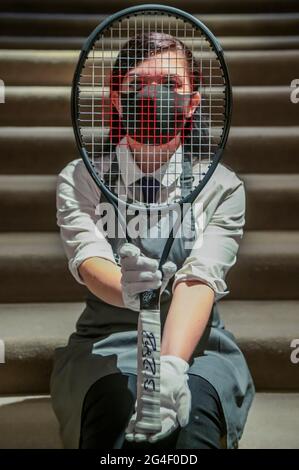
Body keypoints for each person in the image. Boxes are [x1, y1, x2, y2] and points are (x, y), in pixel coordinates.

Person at [50, 32, 255, 450]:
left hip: (196, 347)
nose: (153, 95)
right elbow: (89, 260)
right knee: (114, 431)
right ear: (115, 98)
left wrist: (172, 367)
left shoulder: (221, 187)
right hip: (108, 343)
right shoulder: (81, 179)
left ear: (193, 102)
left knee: (190, 435)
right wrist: (129, 291)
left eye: (171, 86)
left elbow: (199, 279)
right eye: (138, 85)